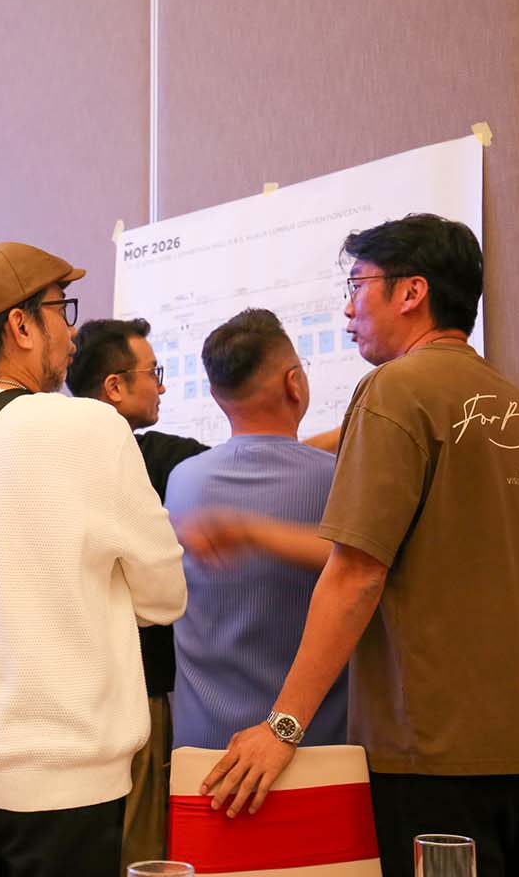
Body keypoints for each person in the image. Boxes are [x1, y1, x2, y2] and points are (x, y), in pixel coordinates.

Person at [182, 215, 519, 877]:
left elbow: (355, 574)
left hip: (438, 754)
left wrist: (283, 727)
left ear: (411, 292)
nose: (347, 308)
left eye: (358, 285)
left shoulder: (394, 389)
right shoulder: (508, 401)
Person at [0, 241, 187, 877]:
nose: (72, 330)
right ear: (20, 325)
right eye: (61, 309)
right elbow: (165, 595)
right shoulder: (91, 428)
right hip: (66, 769)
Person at [164, 308, 347, 750]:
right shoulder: (337, 482)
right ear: (294, 383)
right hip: (315, 748)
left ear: (215, 395)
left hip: (204, 752)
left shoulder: (184, 480)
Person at [65, 319, 208, 867]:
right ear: (115, 387)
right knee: (137, 851)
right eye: (154, 372)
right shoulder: (156, 459)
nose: (162, 386)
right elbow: (248, 460)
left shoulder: (43, 458)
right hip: (135, 693)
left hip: (64, 697)